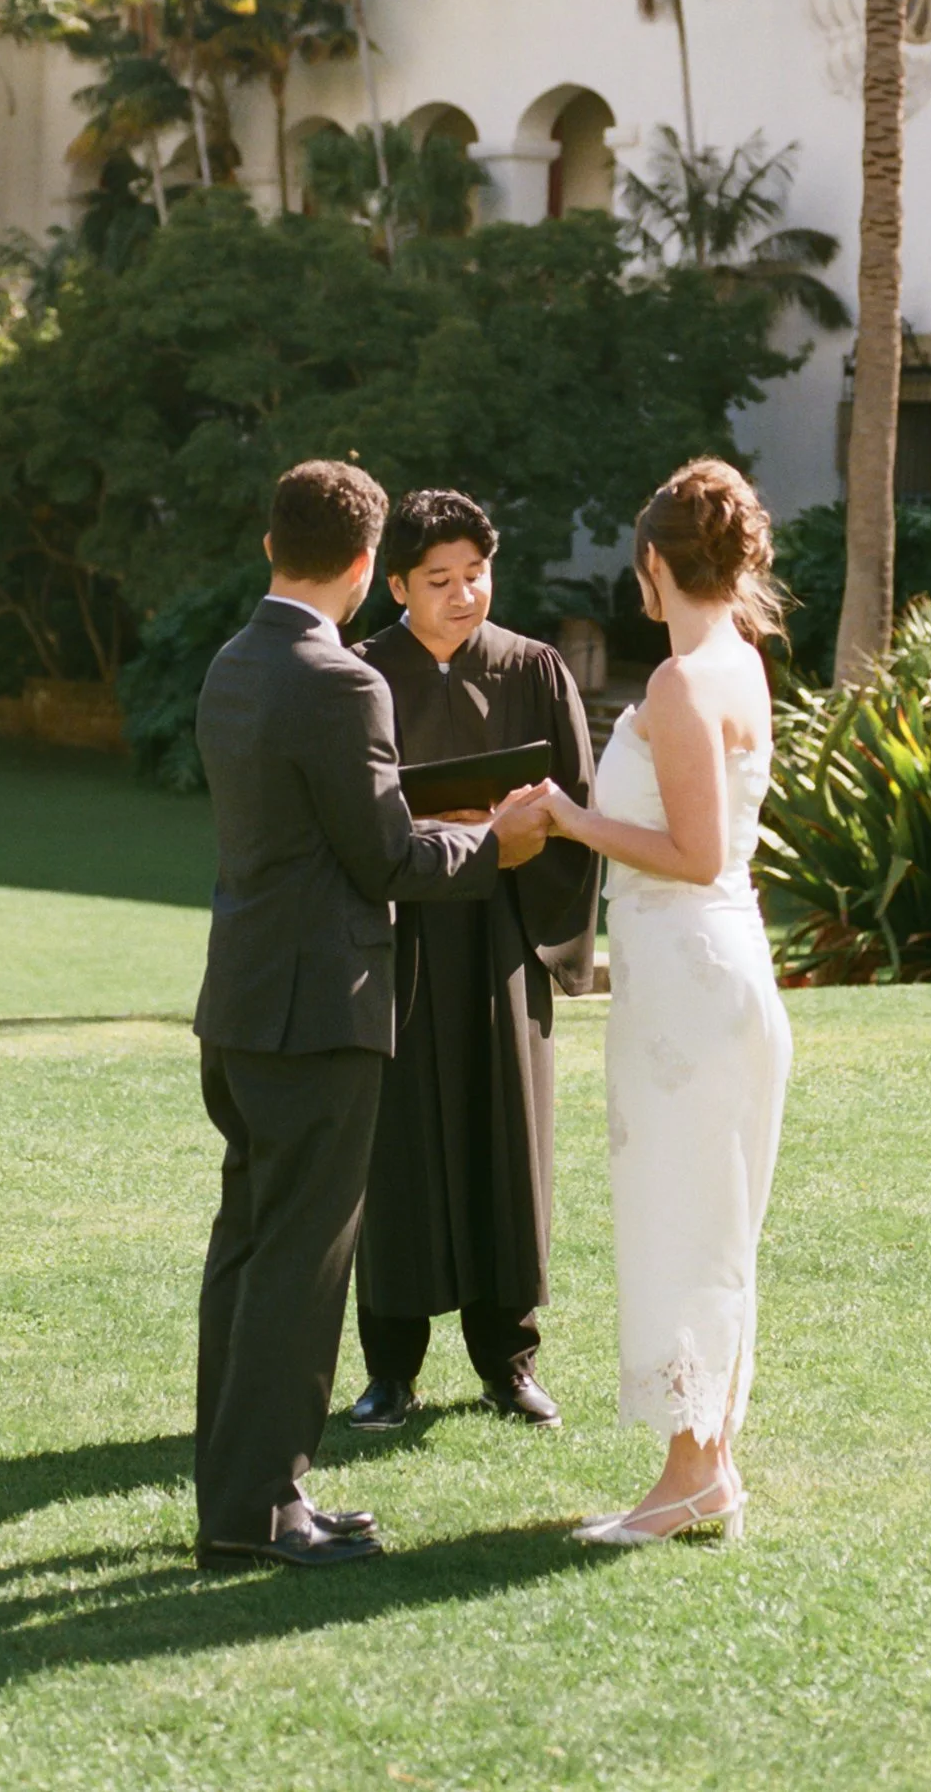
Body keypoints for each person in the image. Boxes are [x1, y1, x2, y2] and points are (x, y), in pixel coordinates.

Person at [191, 456, 548, 1571]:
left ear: (270, 548)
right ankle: (264, 1513)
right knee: (298, 1267)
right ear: (364, 566)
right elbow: (387, 855)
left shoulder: (232, 661)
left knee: (248, 1257)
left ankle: (242, 1498)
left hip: (242, 1002)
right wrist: (499, 841)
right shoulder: (343, 680)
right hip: (319, 1015)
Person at [521, 458, 792, 1549]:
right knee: (710, 1215)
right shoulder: (742, 664)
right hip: (715, 967)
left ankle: (690, 1474)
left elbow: (695, 850)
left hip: (689, 974)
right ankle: (706, 1464)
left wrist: (569, 819)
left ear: (650, 566)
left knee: (685, 1216)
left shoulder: (685, 685)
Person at [348, 488, 600, 1432]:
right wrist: (440, 831)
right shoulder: (360, 675)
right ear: (399, 584)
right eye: (440, 580)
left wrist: (513, 838)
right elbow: (346, 820)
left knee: (507, 1143)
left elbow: (575, 812)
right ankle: (391, 1369)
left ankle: (510, 1359)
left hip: (499, 939)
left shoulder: (533, 669)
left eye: (477, 575)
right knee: (398, 1151)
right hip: (399, 937)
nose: (464, 595)